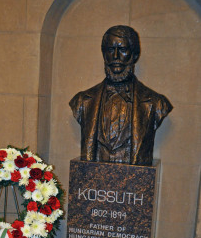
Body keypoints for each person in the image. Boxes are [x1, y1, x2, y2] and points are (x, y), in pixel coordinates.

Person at [69, 25, 173, 166]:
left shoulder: (156, 103)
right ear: (104, 54)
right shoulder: (82, 101)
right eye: (110, 50)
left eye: (123, 50)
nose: (116, 56)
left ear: (134, 55)